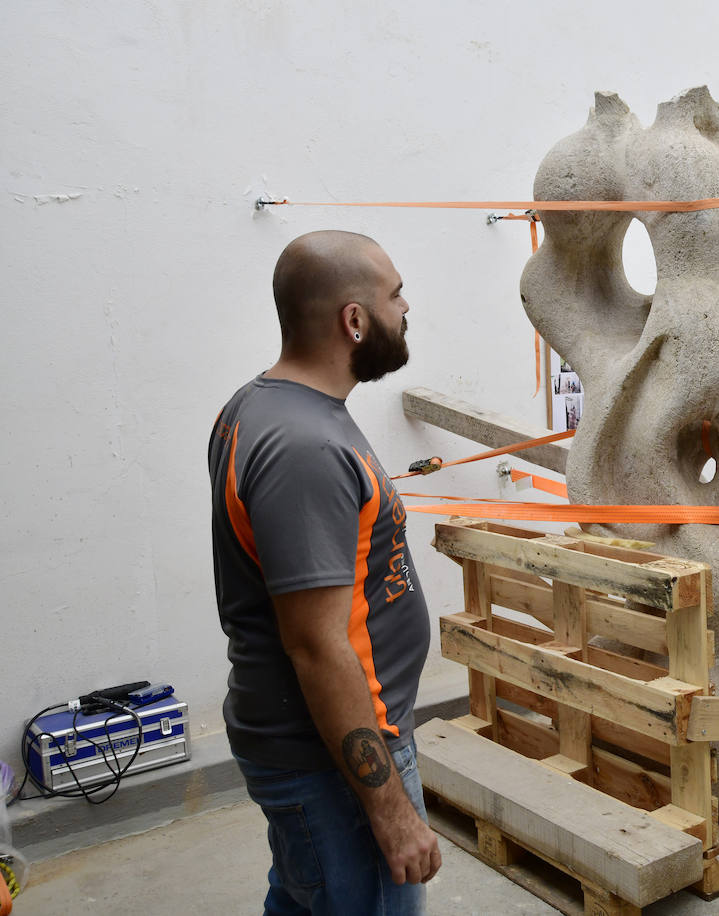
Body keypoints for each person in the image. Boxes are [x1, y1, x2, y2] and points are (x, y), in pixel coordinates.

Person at [208, 230, 441, 914]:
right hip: (337, 765)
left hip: (320, 753)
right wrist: (391, 814)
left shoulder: (268, 407)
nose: (407, 307)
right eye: (395, 294)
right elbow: (317, 646)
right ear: (354, 320)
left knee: (304, 896)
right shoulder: (305, 446)